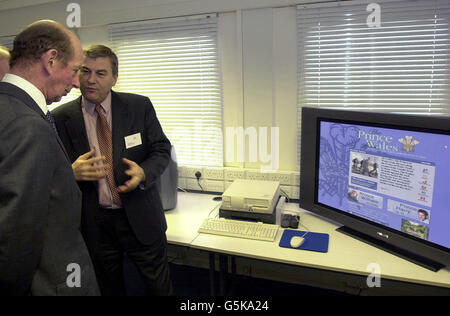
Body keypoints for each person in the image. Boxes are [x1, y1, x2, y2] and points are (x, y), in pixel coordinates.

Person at [53, 44, 173, 296]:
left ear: (114, 78)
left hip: (141, 217)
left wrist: (144, 173)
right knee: (108, 289)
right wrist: (70, 173)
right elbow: (50, 174)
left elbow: (162, 149)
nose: (91, 80)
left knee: (158, 288)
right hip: (95, 225)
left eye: (100, 73)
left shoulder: (138, 106)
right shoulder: (60, 117)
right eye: (85, 71)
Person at [0, 20, 99, 295]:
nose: (79, 83)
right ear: (52, 60)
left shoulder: (10, 108)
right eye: (76, 70)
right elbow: (16, 233)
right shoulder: (26, 124)